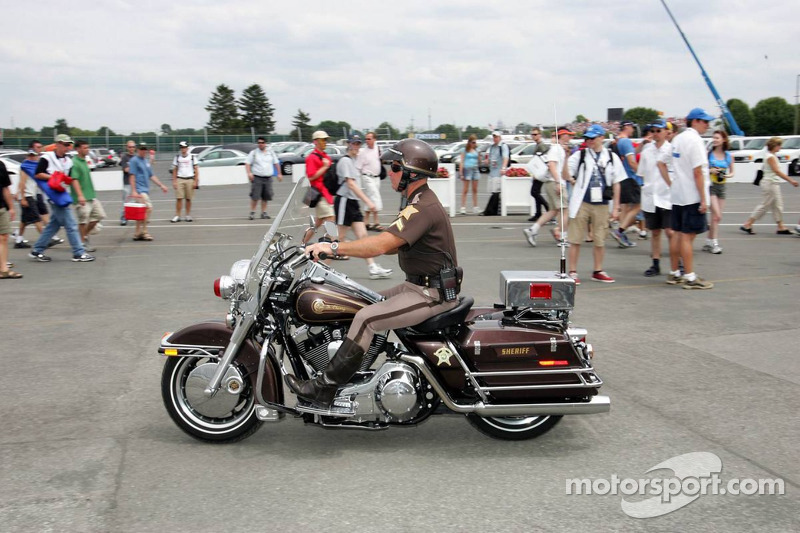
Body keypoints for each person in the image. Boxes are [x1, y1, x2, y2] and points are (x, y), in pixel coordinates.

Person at [287, 139, 459, 408]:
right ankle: (360, 373)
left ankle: (325, 388)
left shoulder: (422, 207)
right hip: (416, 287)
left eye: (394, 167)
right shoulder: (415, 201)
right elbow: (391, 245)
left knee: (366, 318)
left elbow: (380, 246)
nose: (389, 172)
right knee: (359, 301)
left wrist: (332, 247)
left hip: (431, 294)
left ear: (411, 173)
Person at [565, 125, 625, 284]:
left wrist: (617, 207)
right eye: (587, 138)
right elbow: (566, 173)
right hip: (582, 202)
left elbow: (617, 182)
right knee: (575, 238)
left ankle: (598, 270)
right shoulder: (581, 155)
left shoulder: (611, 157)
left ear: (601, 138)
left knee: (600, 239)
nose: (589, 141)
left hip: (603, 203)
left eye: (592, 138)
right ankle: (572, 271)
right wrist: (565, 161)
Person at [667, 108, 715, 289]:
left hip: (678, 193)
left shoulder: (678, 139)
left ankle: (674, 272)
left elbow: (664, 163)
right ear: (694, 121)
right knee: (688, 236)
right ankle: (689, 276)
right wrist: (704, 199)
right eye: (704, 122)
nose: (707, 125)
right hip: (691, 194)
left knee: (678, 235)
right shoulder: (695, 141)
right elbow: (698, 172)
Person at [29, 134, 94, 262]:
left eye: (69, 145)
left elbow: (69, 179)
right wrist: (53, 177)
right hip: (53, 195)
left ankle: (37, 250)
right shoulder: (47, 158)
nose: (68, 147)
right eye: (65, 145)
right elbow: (38, 174)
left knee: (53, 225)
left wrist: (68, 183)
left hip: (62, 193)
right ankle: (78, 252)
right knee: (71, 224)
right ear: (57, 144)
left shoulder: (68, 161)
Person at [335, 134, 392, 279]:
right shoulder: (345, 161)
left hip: (352, 203)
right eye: (354, 143)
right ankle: (318, 265)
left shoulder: (354, 161)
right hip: (344, 201)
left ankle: (372, 267)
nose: (357, 146)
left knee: (363, 237)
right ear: (348, 144)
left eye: (358, 144)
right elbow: (351, 184)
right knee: (338, 239)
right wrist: (368, 201)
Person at [523, 127, 574, 246]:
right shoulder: (556, 149)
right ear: (562, 136)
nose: (570, 138)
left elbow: (564, 172)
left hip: (553, 182)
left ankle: (533, 230)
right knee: (564, 210)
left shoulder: (559, 150)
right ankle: (563, 237)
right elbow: (552, 166)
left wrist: (566, 158)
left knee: (553, 211)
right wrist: (558, 182)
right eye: (568, 135)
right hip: (555, 182)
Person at [740, 136, 799, 235]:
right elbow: (777, 171)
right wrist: (791, 180)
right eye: (779, 145)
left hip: (772, 182)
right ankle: (748, 223)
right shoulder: (770, 157)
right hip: (770, 183)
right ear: (774, 146)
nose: (780, 147)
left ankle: (780, 226)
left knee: (777, 206)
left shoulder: (771, 155)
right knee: (765, 205)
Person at [639, 120, 675, 277]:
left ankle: (677, 263)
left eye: (658, 130)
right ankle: (655, 263)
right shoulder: (647, 150)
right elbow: (642, 172)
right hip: (651, 195)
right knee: (654, 232)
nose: (655, 133)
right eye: (653, 130)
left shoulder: (672, 150)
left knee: (671, 232)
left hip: (667, 195)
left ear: (666, 132)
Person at [16, 141, 63, 250]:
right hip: (27, 196)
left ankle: (18, 240)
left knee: (24, 220)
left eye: (34, 155)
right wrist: (22, 198)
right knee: (36, 219)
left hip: (33, 195)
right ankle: (45, 240)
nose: (33, 157)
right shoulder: (25, 166)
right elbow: (22, 183)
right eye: (31, 155)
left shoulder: (34, 165)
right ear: (28, 155)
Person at [70, 140, 106, 252]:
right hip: (82, 198)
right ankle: (81, 243)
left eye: (87, 147)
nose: (87, 149)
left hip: (91, 196)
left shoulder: (84, 160)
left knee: (99, 215)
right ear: (78, 149)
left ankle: (82, 237)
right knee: (83, 220)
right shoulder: (74, 162)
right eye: (84, 148)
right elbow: (74, 180)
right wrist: (80, 195)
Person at [128, 143, 168, 241]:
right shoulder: (134, 161)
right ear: (138, 150)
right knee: (148, 208)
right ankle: (144, 232)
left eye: (145, 149)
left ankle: (137, 233)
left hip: (145, 189)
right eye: (141, 149)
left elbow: (151, 175)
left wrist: (161, 185)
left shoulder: (145, 161)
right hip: (139, 190)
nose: (143, 151)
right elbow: (132, 175)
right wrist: (133, 190)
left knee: (140, 212)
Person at [610, 121, 640, 248]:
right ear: (627, 127)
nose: (633, 129)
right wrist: (642, 173)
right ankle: (620, 230)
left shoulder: (619, 141)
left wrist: (643, 143)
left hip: (621, 177)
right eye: (632, 127)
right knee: (639, 206)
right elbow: (632, 161)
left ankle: (621, 235)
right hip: (630, 178)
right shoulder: (626, 141)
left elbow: (631, 152)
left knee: (625, 208)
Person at [704, 130, 734, 254]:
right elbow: (703, 168)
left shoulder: (728, 156)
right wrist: (711, 170)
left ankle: (709, 241)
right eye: (714, 137)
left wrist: (727, 175)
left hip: (722, 186)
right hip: (711, 186)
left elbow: (732, 172)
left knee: (716, 218)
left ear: (724, 140)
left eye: (717, 138)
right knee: (717, 215)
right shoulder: (708, 154)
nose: (715, 140)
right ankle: (714, 243)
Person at [304, 130, 336, 229]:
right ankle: (333, 242)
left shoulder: (325, 156)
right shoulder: (312, 158)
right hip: (319, 193)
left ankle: (303, 242)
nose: (325, 142)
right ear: (315, 141)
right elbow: (310, 177)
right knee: (330, 218)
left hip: (327, 193)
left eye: (325, 140)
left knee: (319, 222)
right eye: (323, 140)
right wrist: (324, 167)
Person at [245, 137, 282, 220]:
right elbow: (247, 163)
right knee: (255, 196)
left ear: (265, 143)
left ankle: (264, 212)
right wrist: (249, 173)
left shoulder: (271, 153)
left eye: (262, 142)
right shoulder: (254, 153)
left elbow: (276, 163)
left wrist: (279, 173)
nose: (260, 144)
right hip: (257, 177)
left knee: (266, 196)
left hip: (268, 178)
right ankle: (252, 212)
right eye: (259, 142)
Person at [356, 131, 386, 230]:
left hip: (376, 177)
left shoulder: (378, 149)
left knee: (370, 198)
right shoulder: (363, 152)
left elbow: (382, 161)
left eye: (369, 139)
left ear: (374, 139)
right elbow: (358, 167)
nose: (367, 141)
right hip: (367, 177)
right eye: (366, 139)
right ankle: (377, 222)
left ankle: (366, 222)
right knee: (375, 196)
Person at [0, 159, 22, 278]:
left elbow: (5, 188)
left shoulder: (1, 165)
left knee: (3, 237)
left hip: (1, 207)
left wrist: (11, 207)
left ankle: (4, 269)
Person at [171, 141, 199, 222]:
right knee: (179, 198)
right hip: (180, 179)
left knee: (188, 198)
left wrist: (195, 181)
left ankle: (188, 215)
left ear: (187, 148)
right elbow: (175, 170)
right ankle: (177, 215)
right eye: (181, 147)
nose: (183, 149)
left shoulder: (192, 157)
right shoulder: (177, 157)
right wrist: (174, 181)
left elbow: (196, 170)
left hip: (190, 179)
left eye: (184, 147)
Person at [528, 128, 549, 221]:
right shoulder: (538, 145)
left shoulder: (542, 146)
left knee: (534, 192)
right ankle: (538, 213)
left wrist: (540, 173)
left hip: (540, 173)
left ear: (540, 135)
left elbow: (545, 159)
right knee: (536, 192)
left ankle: (548, 208)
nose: (534, 136)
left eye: (535, 134)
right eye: (532, 134)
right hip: (537, 172)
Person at [459, 135, 481, 214]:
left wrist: (479, 155)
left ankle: (475, 206)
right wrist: (461, 173)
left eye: (475, 142)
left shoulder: (476, 150)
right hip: (467, 169)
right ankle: (463, 207)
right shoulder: (464, 150)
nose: (474, 144)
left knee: (475, 189)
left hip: (475, 169)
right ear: (469, 142)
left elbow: (479, 160)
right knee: (465, 189)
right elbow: (461, 161)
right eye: (473, 142)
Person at [118, 140, 136, 225]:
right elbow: (126, 169)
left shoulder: (136, 157)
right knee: (126, 201)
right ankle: (124, 217)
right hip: (127, 182)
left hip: (136, 183)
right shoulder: (125, 157)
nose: (131, 148)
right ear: (127, 147)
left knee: (137, 201)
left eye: (133, 147)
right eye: (130, 147)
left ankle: (137, 216)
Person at [486, 130, 509, 195]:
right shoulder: (492, 147)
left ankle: (494, 205)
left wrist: (504, 168)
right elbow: (490, 157)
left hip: (498, 173)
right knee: (493, 193)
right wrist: (487, 160)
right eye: (494, 137)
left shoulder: (503, 146)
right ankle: (495, 205)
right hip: (492, 172)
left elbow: (505, 157)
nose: (495, 139)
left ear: (500, 137)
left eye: (496, 137)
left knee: (497, 193)